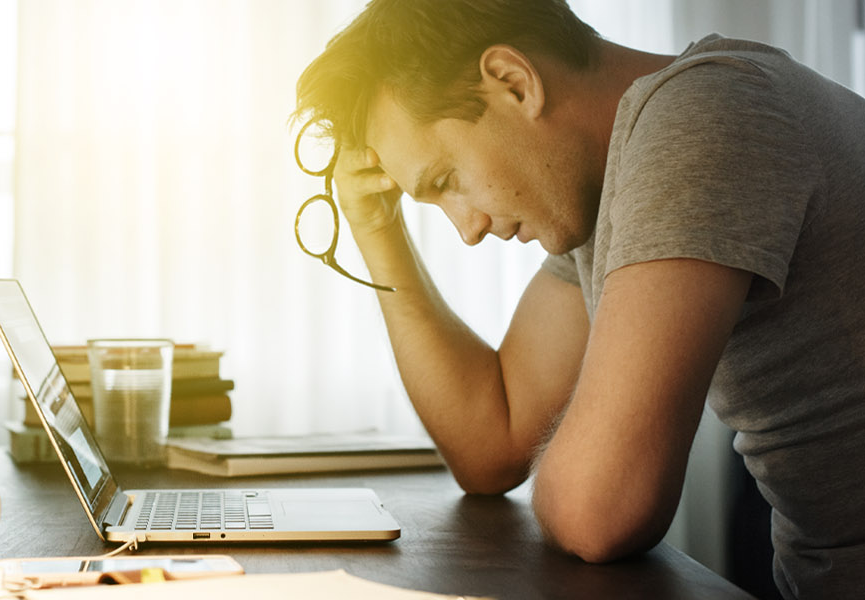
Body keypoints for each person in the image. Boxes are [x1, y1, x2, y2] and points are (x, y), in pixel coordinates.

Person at [293, 1, 865, 598]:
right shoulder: (608, 186)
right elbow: (493, 446)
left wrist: (583, 465)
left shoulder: (705, 115)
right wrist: (377, 231)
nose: (466, 228)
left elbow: (602, 509)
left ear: (513, 83)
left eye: (446, 180)